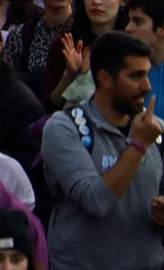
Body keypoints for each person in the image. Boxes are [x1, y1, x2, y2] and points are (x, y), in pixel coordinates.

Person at [41, 32, 164, 270]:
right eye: (136, 76)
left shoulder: (156, 130)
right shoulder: (64, 128)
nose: (147, 86)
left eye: (147, 74)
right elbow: (95, 201)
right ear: (105, 78)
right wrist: (137, 146)